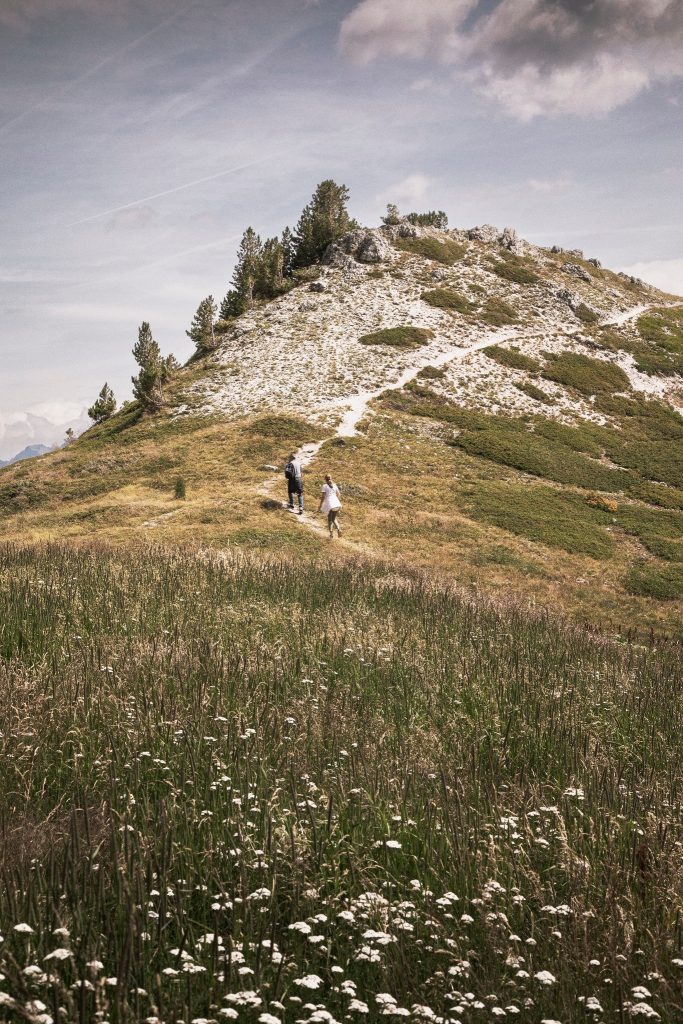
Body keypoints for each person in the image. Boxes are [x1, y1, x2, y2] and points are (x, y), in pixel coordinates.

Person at [318, 473, 342, 538]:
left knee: (330, 519)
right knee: (334, 518)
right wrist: (336, 500)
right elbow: (339, 494)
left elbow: (323, 497)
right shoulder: (334, 485)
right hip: (337, 504)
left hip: (330, 504)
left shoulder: (324, 486)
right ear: (331, 478)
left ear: (325, 479)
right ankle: (339, 529)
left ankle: (331, 534)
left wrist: (320, 505)